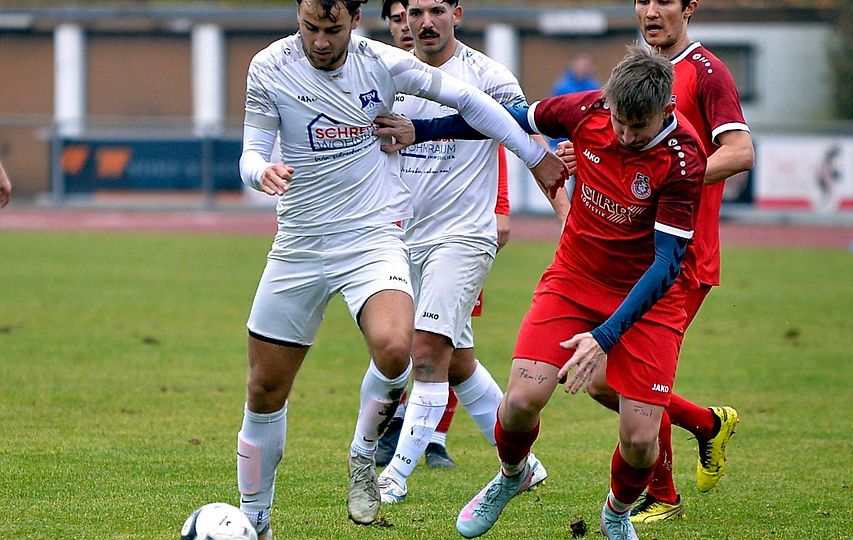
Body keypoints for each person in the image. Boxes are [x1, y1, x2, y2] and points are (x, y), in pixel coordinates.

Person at [234, 0, 567, 536]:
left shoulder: (384, 62)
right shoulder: (269, 66)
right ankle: (256, 522)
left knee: (397, 349)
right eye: (310, 28)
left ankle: (364, 456)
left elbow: (471, 101)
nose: (320, 41)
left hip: (372, 238)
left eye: (332, 29)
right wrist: (261, 172)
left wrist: (535, 156)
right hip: (299, 242)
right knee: (265, 391)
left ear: (355, 20)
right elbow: (250, 152)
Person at [381, 45, 707, 539]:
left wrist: (603, 337)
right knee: (518, 403)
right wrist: (422, 130)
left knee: (642, 442)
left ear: (667, 110)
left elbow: (666, 265)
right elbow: (500, 118)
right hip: (573, 281)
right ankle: (513, 474)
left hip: (649, 299)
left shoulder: (683, 160)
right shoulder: (586, 108)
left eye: (638, 127)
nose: (624, 135)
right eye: (619, 122)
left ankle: (616, 513)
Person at [558, 0, 755, 524]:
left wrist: (673, 180)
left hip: (682, 258)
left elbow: (740, 152)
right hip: (629, 256)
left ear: (688, 8)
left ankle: (663, 494)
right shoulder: (639, 71)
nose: (650, 10)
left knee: (620, 379)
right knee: (604, 380)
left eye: (663, 0)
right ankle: (706, 425)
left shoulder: (707, 71)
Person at [375, 0, 567, 504]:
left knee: (425, 353)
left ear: (457, 14)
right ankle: (523, 466)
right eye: (415, 12)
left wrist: (562, 201)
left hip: (463, 236)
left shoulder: (488, 75)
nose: (425, 22)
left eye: (437, 10)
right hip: (402, 237)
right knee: (457, 361)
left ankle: (394, 476)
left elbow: (525, 134)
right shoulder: (389, 76)